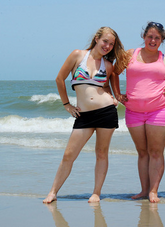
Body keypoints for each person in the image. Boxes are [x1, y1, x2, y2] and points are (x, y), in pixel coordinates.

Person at [43, 27, 128, 204]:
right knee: (69, 155)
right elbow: (60, 79)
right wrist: (66, 104)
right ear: (97, 39)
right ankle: (52, 192)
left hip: (106, 113)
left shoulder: (109, 65)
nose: (108, 46)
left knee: (101, 153)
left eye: (112, 44)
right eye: (105, 41)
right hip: (84, 116)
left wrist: (113, 97)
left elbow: (106, 87)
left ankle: (96, 193)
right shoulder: (77, 55)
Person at [111, 22, 165, 203]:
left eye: (157, 37)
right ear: (144, 37)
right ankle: (144, 190)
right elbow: (114, 72)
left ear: (162, 40)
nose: (153, 40)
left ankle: (153, 191)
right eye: (150, 36)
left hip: (160, 110)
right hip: (133, 111)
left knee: (156, 152)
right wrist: (117, 93)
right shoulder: (130, 54)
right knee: (142, 152)